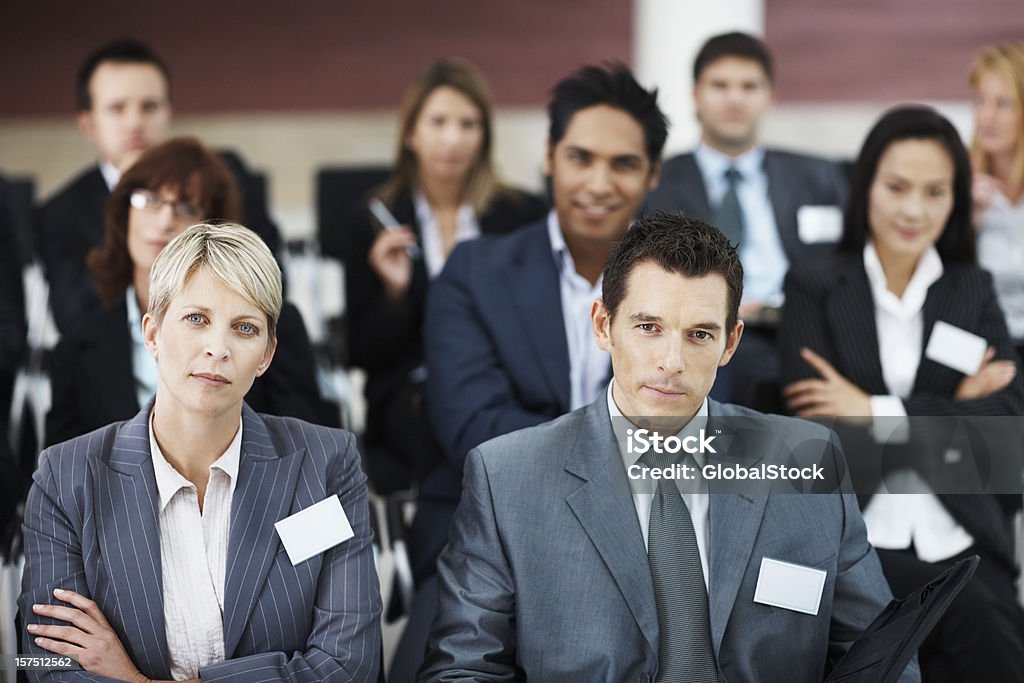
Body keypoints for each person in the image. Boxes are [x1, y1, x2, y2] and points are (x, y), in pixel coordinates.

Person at [421, 211, 918, 681]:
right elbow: (464, 669)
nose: (671, 360)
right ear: (602, 325)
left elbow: (879, 657)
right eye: (648, 327)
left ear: (730, 342)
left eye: (699, 334)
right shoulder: (507, 477)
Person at [20, 222, 381, 682]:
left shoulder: (327, 464)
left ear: (266, 355)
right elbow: (42, 664)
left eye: (244, 328)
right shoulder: (64, 477)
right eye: (196, 319)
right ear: (151, 333)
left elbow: (348, 666)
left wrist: (136, 681)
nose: (218, 349)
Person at [407, 62, 666, 677]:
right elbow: (475, 427)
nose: (598, 183)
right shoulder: (474, 272)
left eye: (623, 164)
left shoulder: (684, 286)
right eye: (581, 157)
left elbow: (689, 423)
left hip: (647, 530)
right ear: (549, 156)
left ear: (653, 174)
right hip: (482, 530)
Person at [779, 105, 1024, 680]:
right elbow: (820, 432)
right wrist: (954, 411)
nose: (915, 209)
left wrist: (873, 410)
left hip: (959, 526)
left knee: (993, 635)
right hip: (856, 529)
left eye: (935, 192)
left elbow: (1006, 427)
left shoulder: (971, 287)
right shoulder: (814, 284)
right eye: (897, 187)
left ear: (954, 200)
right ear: (867, 187)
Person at [45, 137, 335, 447]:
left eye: (186, 207)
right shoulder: (76, 347)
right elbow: (66, 477)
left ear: (215, 228)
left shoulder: (275, 324)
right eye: (149, 200)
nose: (164, 220)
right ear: (123, 214)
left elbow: (305, 451)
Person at [344, 58, 546, 494]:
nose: (453, 139)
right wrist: (394, 293)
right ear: (411, 133)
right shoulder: (375, 218)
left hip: (500, 387)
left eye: (468, 124)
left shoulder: (520, 215)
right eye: (438, 122)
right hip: (413, 398)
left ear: (485, 136)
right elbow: (361, 352)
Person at [645, 31, 848, 407]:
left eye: (749, 86)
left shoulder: (819, 178)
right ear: (696, 95)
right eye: (720, 85)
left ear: (769, 96)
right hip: (706, 334)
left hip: (804, 331)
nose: (735, 98)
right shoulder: (657, 182)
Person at [37, 39, 281, 334]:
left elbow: (273, 284)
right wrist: (130, 211)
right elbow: (72, 320)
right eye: (117, 109)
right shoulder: (59, 212)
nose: (135, 123)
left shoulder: (225, 175)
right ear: (88, 124)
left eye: (149, 106)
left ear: (167, 113)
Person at [970, 41, 1024, 355]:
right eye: (980, 100)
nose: (986, 116)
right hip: (981, 344)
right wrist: (968, 223)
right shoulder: (952, 178)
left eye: (1003, 104)